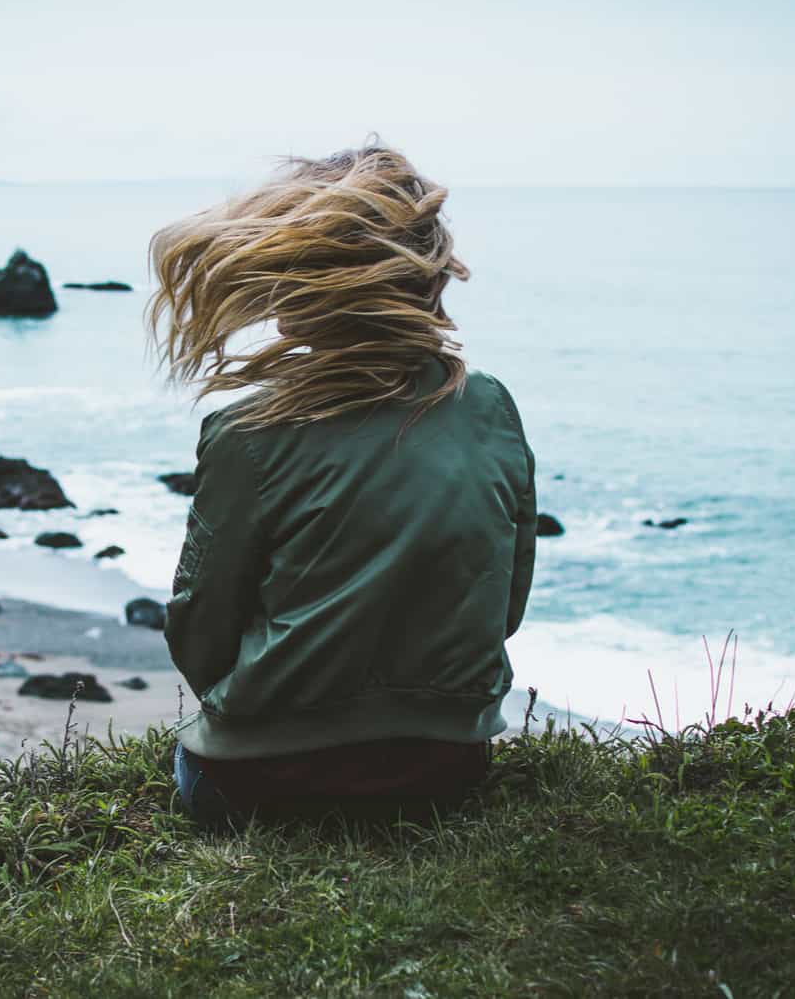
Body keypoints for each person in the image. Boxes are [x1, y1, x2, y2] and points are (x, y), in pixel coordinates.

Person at [145, 141, 537, 828]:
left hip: (258, 784)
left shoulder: (249, 432)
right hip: (445, 771)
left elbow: (201, 628)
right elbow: (505, 599)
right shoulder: (490, 405)